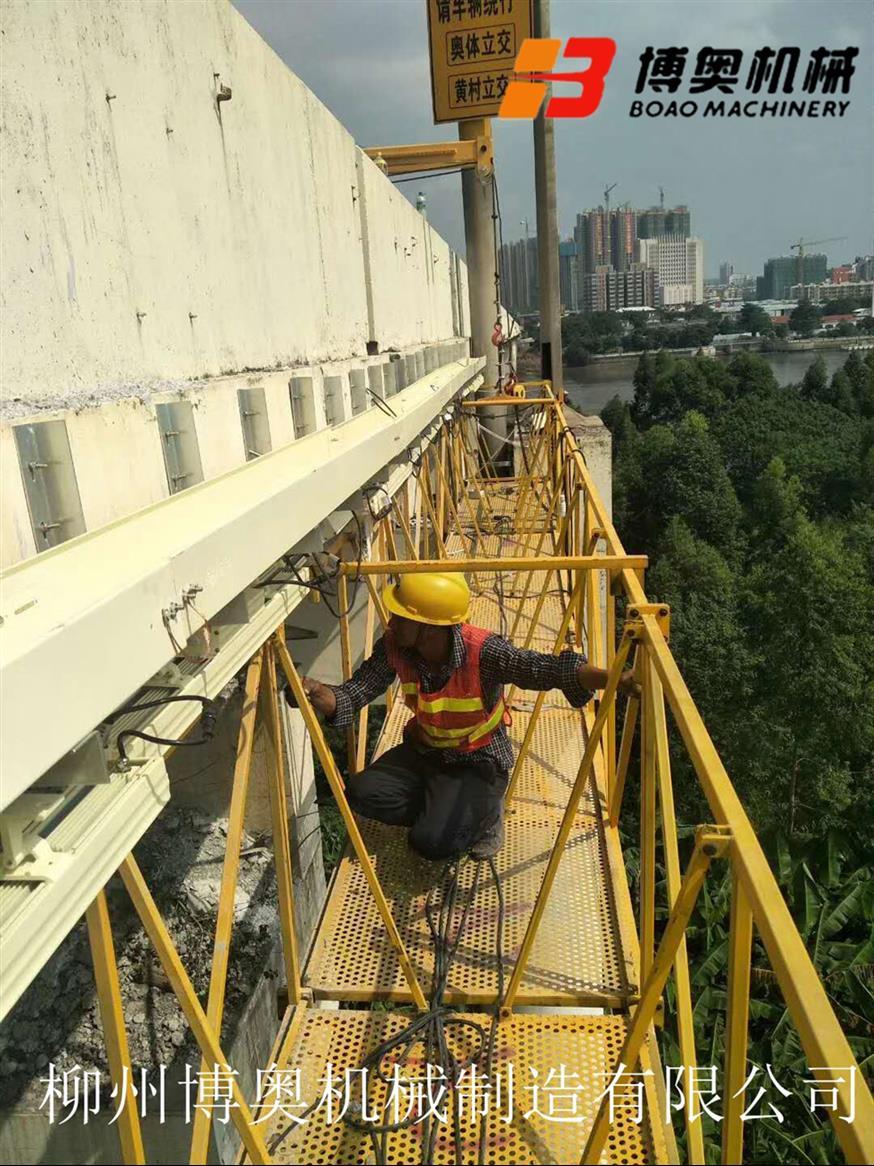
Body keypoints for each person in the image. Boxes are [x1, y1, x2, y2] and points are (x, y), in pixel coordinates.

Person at [292, 572, 637, 861]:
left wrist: (614, 679)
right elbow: (358, 691)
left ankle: (483, 814)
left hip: (477, 759)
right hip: (425, 752)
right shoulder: (396, 646)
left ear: (428, 628)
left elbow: (542, 668)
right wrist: (323, 695)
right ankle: (449, 809)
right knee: (361, 792)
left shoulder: (482, 652)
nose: (391, 622)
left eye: (400, 616)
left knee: (430, 844)